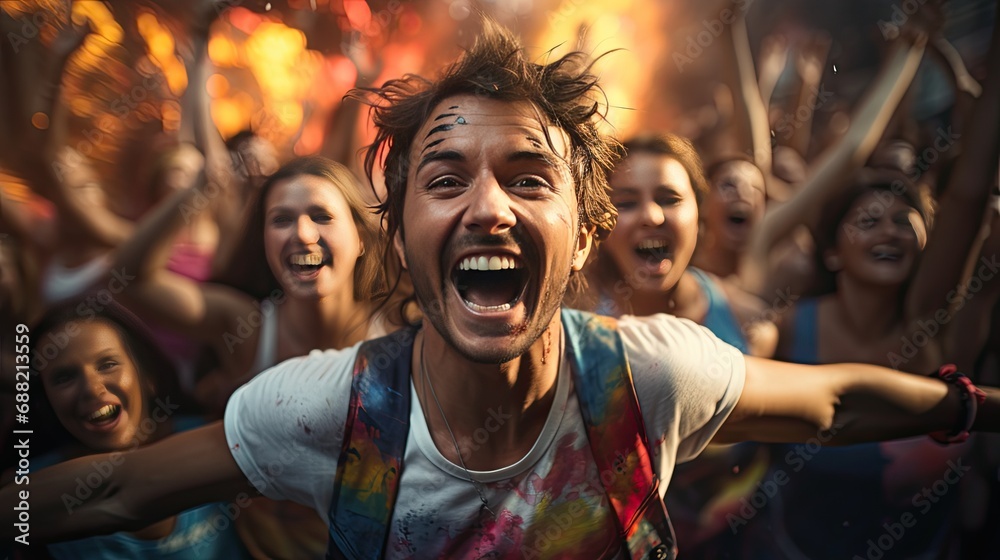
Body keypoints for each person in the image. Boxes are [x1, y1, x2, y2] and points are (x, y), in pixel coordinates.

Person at [4, 20, 999, 560]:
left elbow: (829, 398)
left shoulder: (650, 375)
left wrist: (964, 404)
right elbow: (120, 485)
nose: (487, 208)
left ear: (585, 229)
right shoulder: (327, 404)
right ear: (396, 230)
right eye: (445, 178)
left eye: (528, 178)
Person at [25, 299, 248, 559]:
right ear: (45, 401)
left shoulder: (217, 438)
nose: (92, 388)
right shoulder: (26, 491)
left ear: (147, 376)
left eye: (107, 364)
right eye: (64, 377)